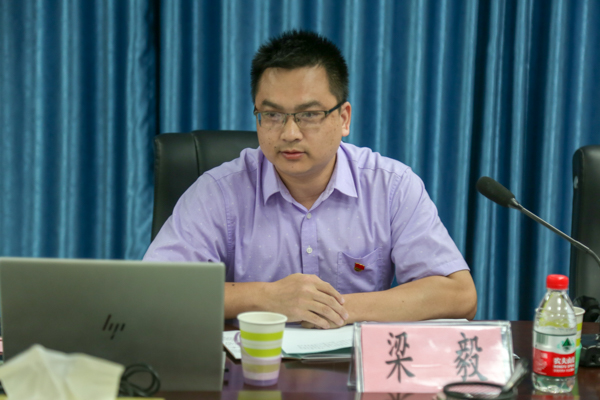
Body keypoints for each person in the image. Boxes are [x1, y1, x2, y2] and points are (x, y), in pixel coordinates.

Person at [144, 30, 477, 329]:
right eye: (272, 115)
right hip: (252, 367)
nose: (289, 133)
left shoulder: (391, 187)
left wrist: (334, 308)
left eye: (309, 115)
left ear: (343, 118)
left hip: (353, 369)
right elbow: (153, 292)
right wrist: (267, 298)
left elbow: (459, 295)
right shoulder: (219, 192)